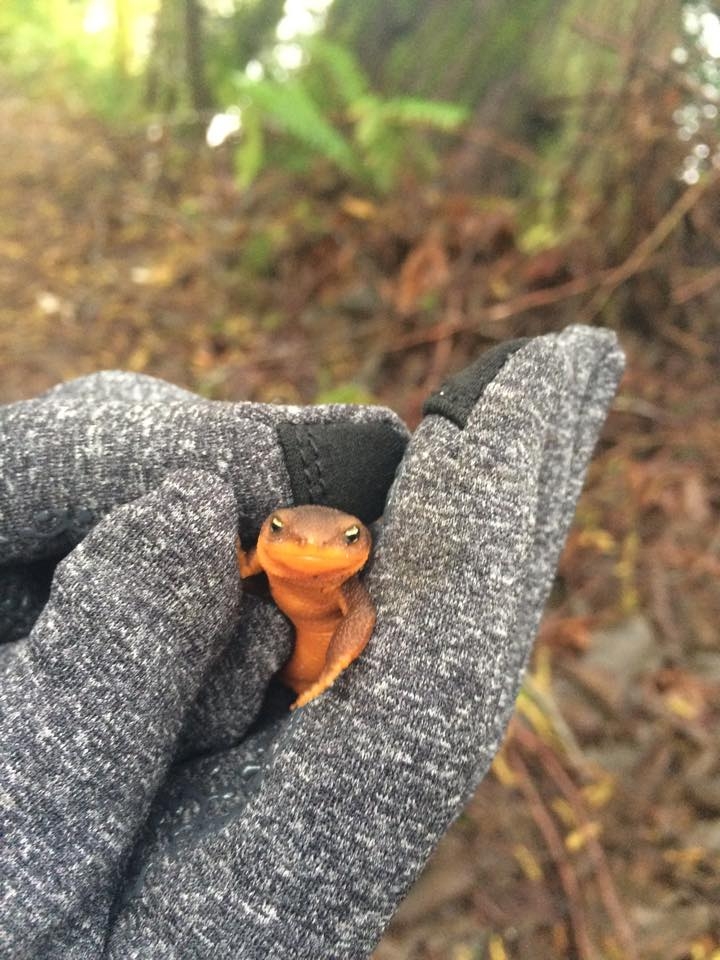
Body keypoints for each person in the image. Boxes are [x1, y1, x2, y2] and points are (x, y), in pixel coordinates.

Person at [0, 325, 623, 958]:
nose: (312, 552)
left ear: (362, 545)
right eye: (284, 537)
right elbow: (252, 559)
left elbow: (358, 617)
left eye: (347, 541)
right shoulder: (259, 555)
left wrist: (339, 671)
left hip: (308, 679)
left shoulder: (346, 588)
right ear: (266, 538)